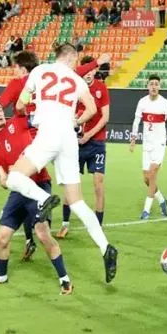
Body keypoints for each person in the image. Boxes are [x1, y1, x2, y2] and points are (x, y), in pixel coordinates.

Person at [4, 43, 118, 284]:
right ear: (72, 58)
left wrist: (34, 111)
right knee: (76, 202)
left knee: (14, 177)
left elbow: (20, 105)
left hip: (48, 135)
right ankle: (105, 247)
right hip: (68, 138)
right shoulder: (76, 79)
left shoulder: (39, 71)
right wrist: (76, 122)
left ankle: (44, 198)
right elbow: (92, 108)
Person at [0, 99, 73, 295]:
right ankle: (1, 277)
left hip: (40, 184)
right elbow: (2, 180)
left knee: (42, 234)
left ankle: (65, 279)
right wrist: (13, 175)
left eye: (0, 109)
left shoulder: (18, 121)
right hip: (18, 192)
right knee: (2, 238)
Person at [57, 56, 110, 238]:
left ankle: (99, 225)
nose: (88, 74)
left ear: (95, 71)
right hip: (76, 144)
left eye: (91, 71)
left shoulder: (101, 88)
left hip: (96, 143)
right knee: (71, 185)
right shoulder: (74, 88)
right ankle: (65, 224)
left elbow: (105, 117)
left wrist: (88, 134)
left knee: (98, 185)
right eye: (85, 71)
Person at [130, 74, 167, 220]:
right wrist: (133, 138)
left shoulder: (164, 103)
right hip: (147, 144)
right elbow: (136, 121)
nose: (153, 86)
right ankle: (162, 200)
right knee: (147, 179)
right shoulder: (142, 102)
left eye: (156, 84)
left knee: (152, 174)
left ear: (159, 86)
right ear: (147, 86)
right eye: (151, 84)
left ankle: (146, 210)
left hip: (159, 144)